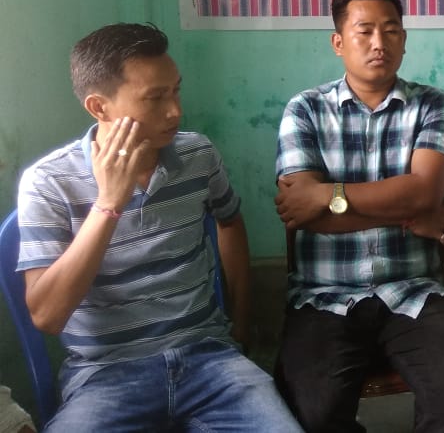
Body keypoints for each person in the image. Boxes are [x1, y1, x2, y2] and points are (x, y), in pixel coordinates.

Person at [16, 23, 301, 432]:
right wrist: (108, 205)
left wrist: (240, 322)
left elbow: (229, 221)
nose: (175, 111)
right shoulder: (48, 182)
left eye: (176, 91)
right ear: (99, 107)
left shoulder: (198, 154)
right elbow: (47, 316)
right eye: (155, 98)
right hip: (106, 375)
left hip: (209, 359)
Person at [273, 0, 444, 433]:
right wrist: (407, 209)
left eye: (391, 30)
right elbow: (304, 214)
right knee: (311, 413)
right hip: (323, 295)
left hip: (413, 292)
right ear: (338, 42)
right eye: (364, 31)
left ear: (404, 38)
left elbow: (424, 193)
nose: (379, 43)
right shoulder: (304, 109)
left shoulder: (432, 105)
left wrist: (329, 194)